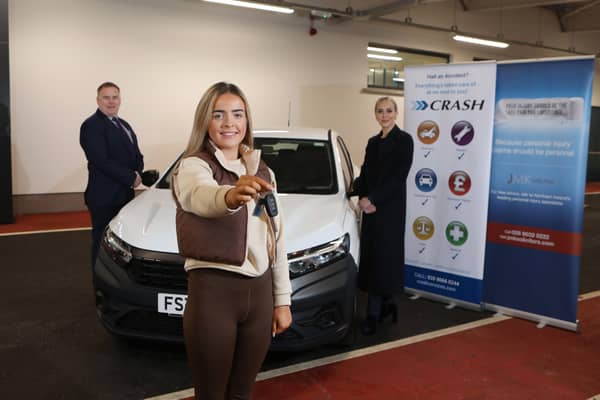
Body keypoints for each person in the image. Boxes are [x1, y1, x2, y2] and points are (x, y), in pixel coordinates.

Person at [172, 82, 292, 400]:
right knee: (211, 395)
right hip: (214, 293)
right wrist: (230, 195)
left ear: (247, 121)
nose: (229, 123)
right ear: (205, 121)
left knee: (241, 394)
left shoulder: (264, 170)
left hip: (260, 293)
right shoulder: (193, 165)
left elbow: (275, 237)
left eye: (238, 114)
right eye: (219, 115)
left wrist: (282, 300)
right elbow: (200, 196)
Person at [354, 96, 414, 335]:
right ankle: (388, 304)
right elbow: (366, 173)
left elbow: (398, 177)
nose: (384, 115)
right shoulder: (372, 142)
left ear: (396, 113)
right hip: (370, 208)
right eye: (380, 111)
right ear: (375, 114)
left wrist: (373, 199)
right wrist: (358, 194)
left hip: (389, 209)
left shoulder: (404, 140)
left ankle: (373, 314)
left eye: (389, 111)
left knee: (383, 260)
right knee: (373, 259)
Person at [80, 82, 144, 268]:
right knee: (102, 243)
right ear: (98, 100)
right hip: (104, 196)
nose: (111, 101)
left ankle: (118, 281)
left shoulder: (123, 124)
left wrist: (138, 172)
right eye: (106, 97)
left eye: (114, 97)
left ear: (120, 100)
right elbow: (101, 160)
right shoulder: (91, 126)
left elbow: (136, 154)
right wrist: (131, 177)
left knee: (121, 244)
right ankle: (100, 285)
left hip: (124, 195)